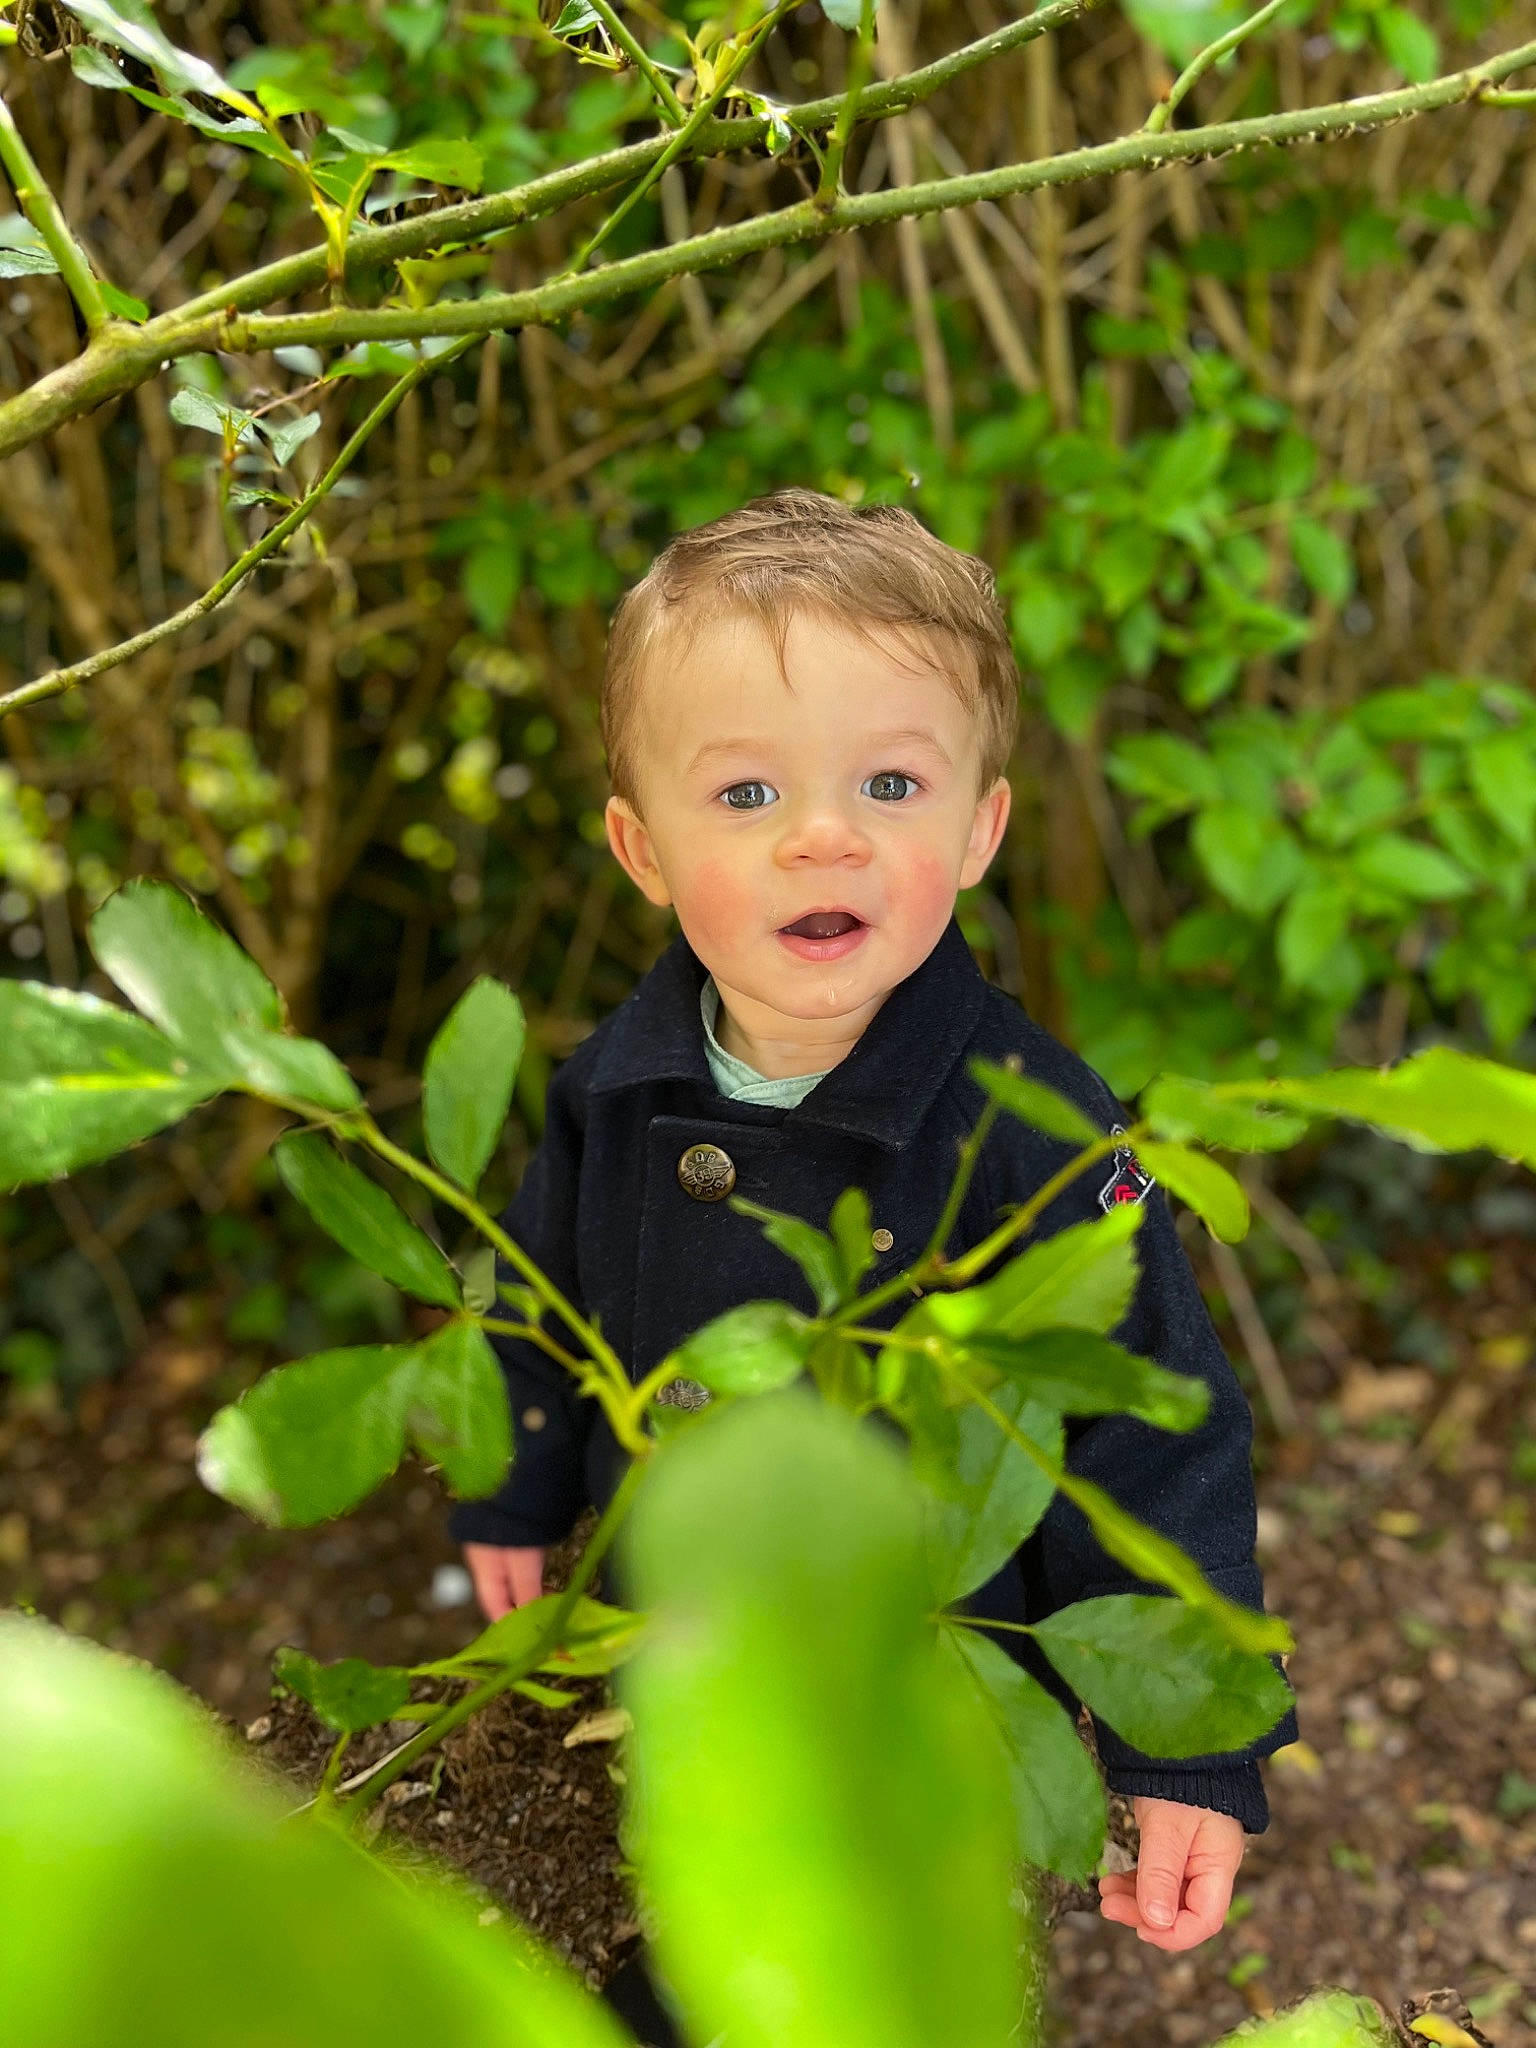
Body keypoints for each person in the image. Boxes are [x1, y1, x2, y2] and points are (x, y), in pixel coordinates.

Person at [448, 486, 1298, 1995]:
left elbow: (1156, 1426)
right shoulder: (615, 1083)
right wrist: (513, 1486)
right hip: (671, 1640)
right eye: (749, 796)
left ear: (980, 830)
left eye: (890, 787)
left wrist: (1193, 1743)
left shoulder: (1031, 1130)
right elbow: (535, 1291)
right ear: (642, 851)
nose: (824, 839)